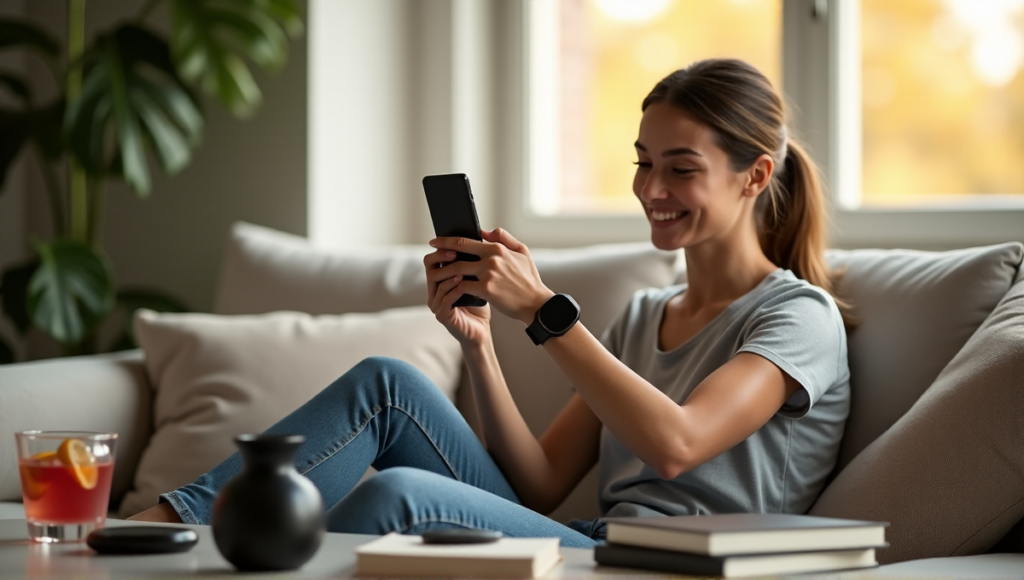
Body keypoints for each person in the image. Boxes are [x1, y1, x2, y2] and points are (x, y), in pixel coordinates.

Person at [130, 59, 852, 548]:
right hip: (597, 546)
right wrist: (479, 343)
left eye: (681, 168)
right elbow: (537, 486)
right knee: (388, 384)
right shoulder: (644, 316)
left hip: (680, 566)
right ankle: (164, 526)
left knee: (401, 495)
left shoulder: (798, 317)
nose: (651, 190)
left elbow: (677, 444)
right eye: (643, 162)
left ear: (755, 175)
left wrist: (543, 310)